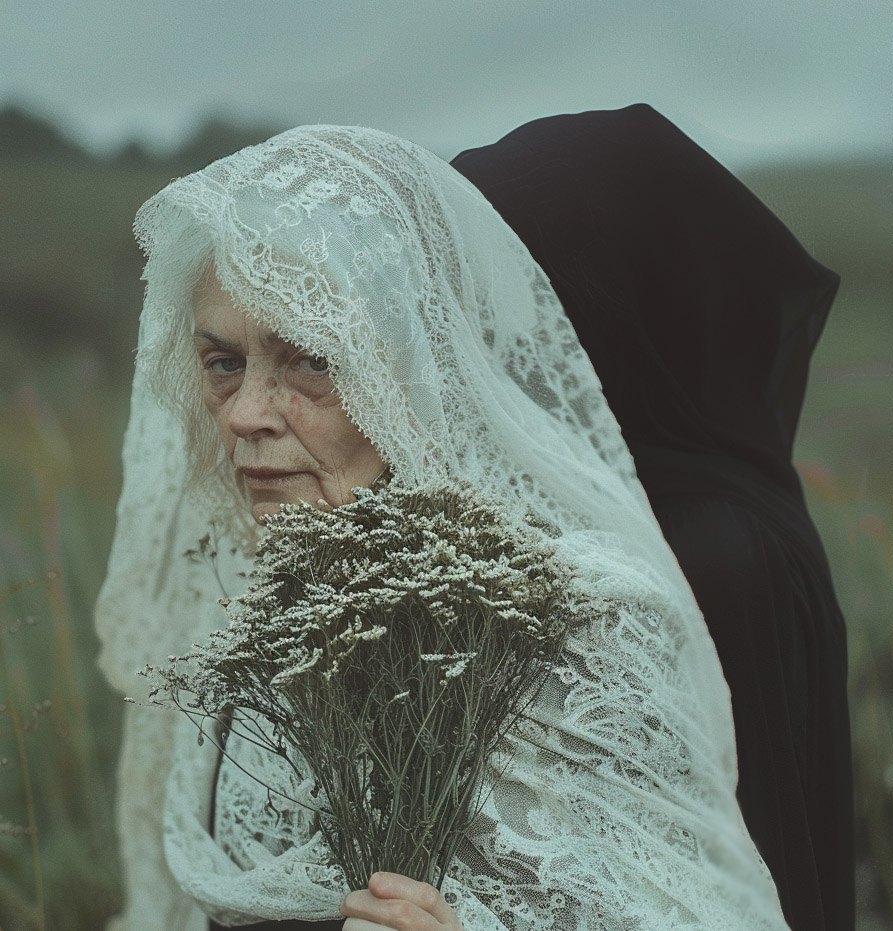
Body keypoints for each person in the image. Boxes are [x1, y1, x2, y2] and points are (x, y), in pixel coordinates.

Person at [96, 124, 792, 930]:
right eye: (223, 364)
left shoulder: (573, 622)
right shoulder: (243, 599)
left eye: (311, 360)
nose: (249, 413)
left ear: (412, 372)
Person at [452, 104, 854, 931]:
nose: (478, 337)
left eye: (512, 293)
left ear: (598, 310)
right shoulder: (703, 501)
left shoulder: (709, 548)